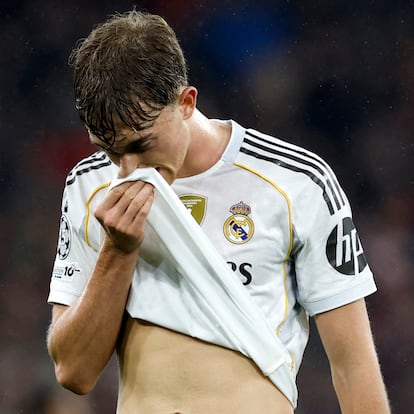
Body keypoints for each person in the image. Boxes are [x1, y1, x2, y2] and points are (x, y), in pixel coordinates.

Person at [46, 9, 391, 414]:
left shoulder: (297, 182)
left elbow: (353, 366)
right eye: (110, 150)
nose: (127, 170)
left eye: (141, 145)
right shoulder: (88, 185)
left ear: (186, 102)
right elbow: (73, 371)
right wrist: (117, 252)